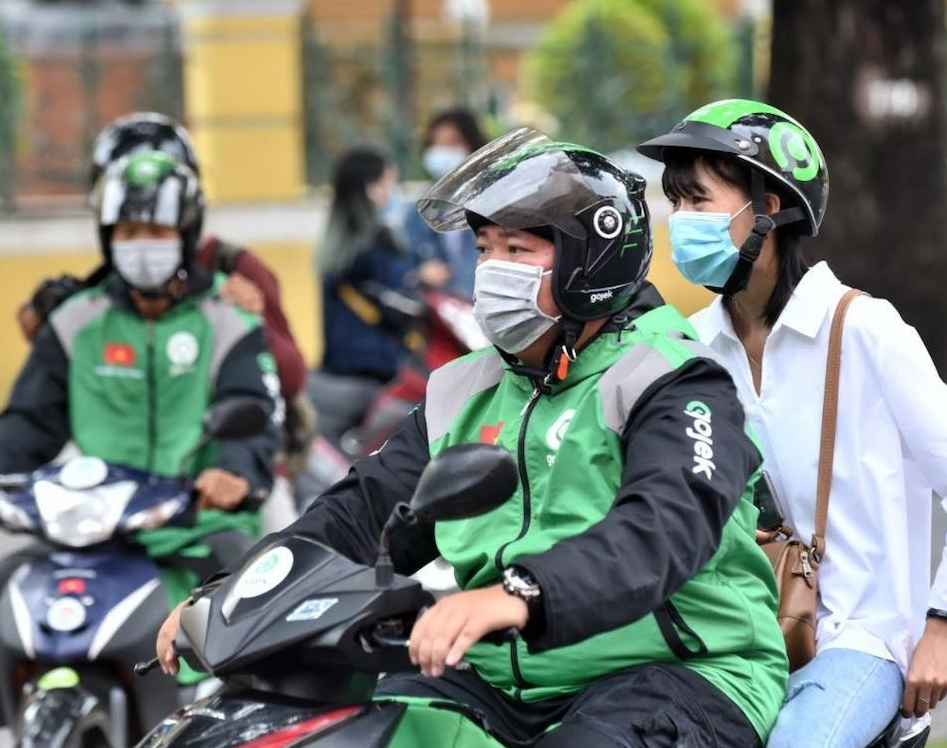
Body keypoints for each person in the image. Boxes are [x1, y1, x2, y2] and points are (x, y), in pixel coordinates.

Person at [158, 129, 790, 747]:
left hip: (684, 673)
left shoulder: (673, 378)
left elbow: (661, 531)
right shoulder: (465, 387)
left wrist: (520, 594)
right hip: (506, 677)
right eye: (485, 250)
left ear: (589, 262)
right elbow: (361, 511)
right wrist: (240, 591)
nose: (492, 272)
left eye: (518, 251)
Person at [637, 99, 947, 748]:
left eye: (700, 203)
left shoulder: (864, 330)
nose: (681, 223)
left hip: (862, 639)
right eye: (675, 204)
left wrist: (942, 626)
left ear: (770, 208)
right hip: (737, 640)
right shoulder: (691, 348)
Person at [0, 151, 281, 729]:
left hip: (194, 524)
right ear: (107, 237)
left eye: (155, 230)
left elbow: (254, 411)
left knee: (255, 599)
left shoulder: (229, 317)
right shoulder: (77, 320)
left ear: (186, 234)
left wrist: (233, 471)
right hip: (92, 526)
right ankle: (16, 723)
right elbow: (31, 416)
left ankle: (252, 724)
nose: (141, 243)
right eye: (128, 231)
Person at [15, 112, 312, 472]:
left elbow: (291, 379)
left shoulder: (234, 268)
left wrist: (253, 323)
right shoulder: (109, 284)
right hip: (138, 470)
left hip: (238, 461)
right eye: (128, 223)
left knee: (279, 526)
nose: (142, 228)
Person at [313, 145, 447, 442]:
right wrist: (420, 280)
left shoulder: (338, 244)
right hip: (374, 369)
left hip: (340, 364)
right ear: (370, 188)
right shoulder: (374, 245)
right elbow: (397, 301)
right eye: (388, 182)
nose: (392, 191)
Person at [404, 107, 490, 298]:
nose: (442, 152)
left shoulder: (494, 203)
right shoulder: (418, 210)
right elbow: (404, 268)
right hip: (443, 317)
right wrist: (421, 273)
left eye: (452, 143)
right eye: (435, 144)